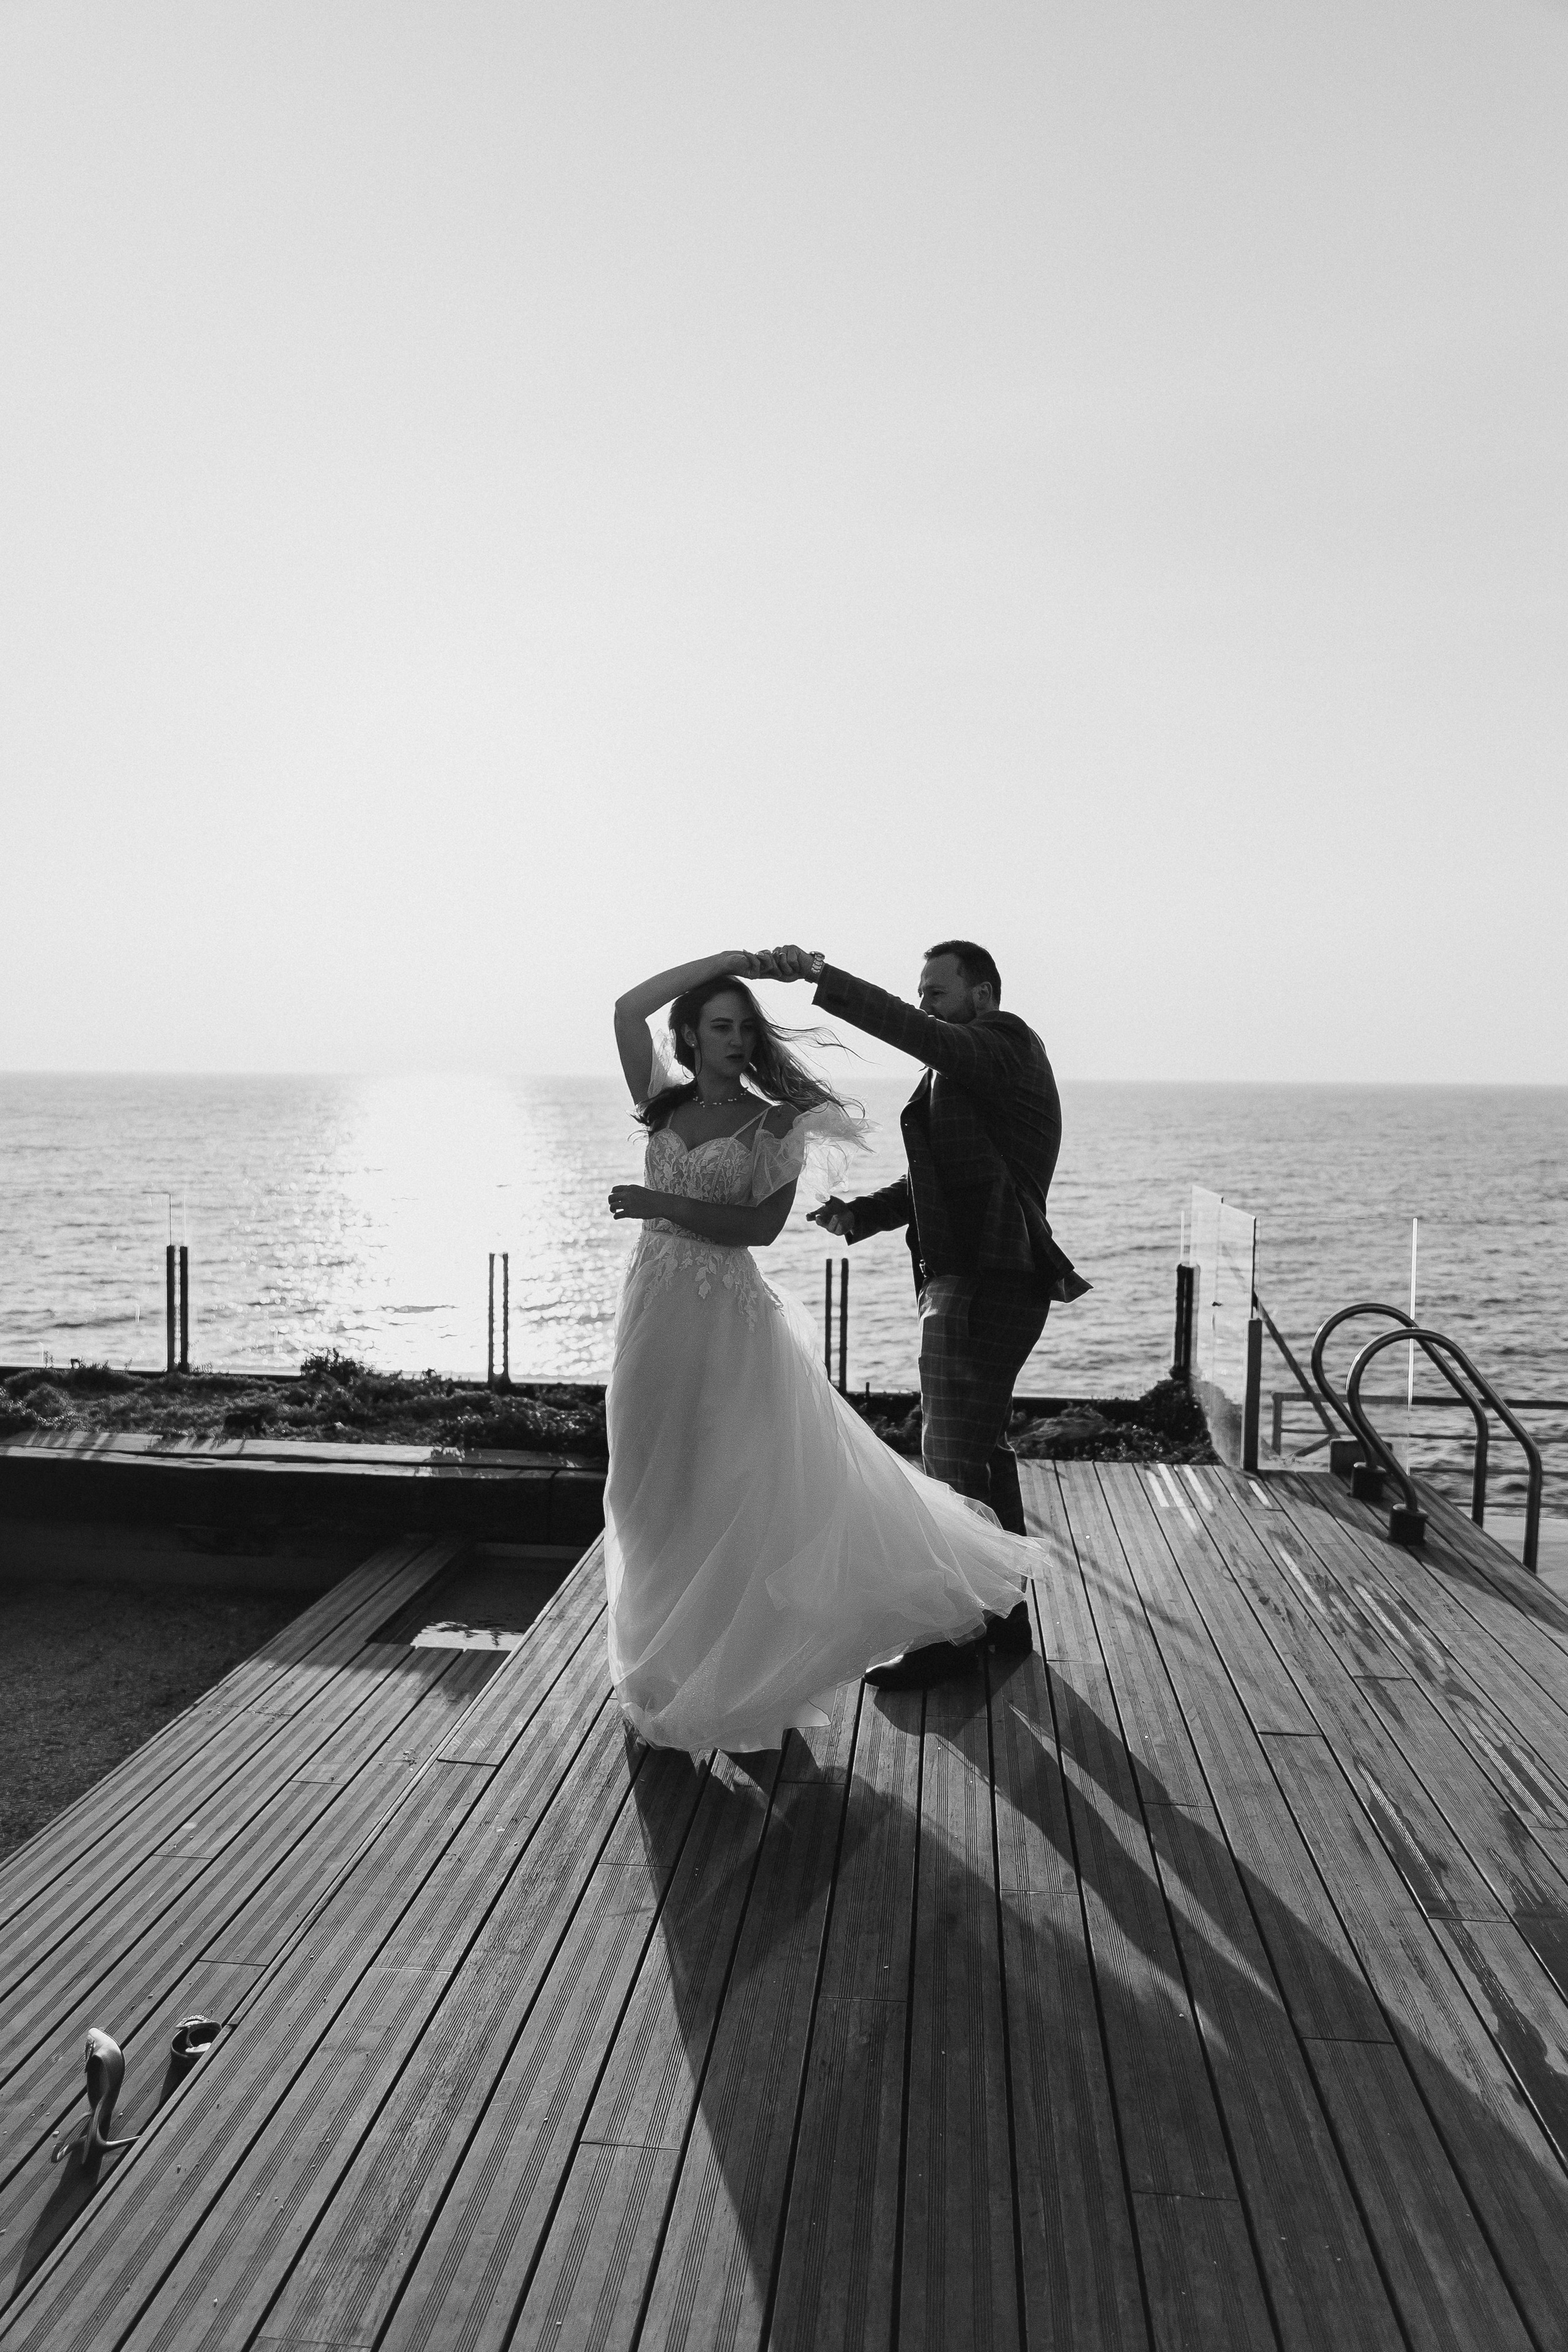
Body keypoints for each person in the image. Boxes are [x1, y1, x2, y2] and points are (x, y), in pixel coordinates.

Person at [602, 946, 1049, 1754]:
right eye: (721, 1026)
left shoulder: (789, 1118)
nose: (738, 1040)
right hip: (653, 1311)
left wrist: (655, 1200)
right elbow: (627, 1010)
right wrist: (733, 959)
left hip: (760, 1314)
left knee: (741, 1489)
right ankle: (656, 1667)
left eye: (747, 1026)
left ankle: (764, 1674)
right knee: (643, 1489)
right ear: (693, 1037)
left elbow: (758, 1229)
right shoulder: (662, 1106)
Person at [767, 939, 1088, 1686]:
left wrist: (822, 977)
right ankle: (1002, 1617)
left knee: (947, 1459)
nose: (922, 1005)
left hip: (985, 1280)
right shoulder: (967, 1076)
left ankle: (954, 1631)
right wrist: (861, 1215)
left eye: (935, 991)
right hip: (980, 1278)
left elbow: (924, 1038)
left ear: (981, 996)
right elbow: (930, 1181)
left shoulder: (1003, 1044)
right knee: (978, 1450)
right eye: (918, 992)